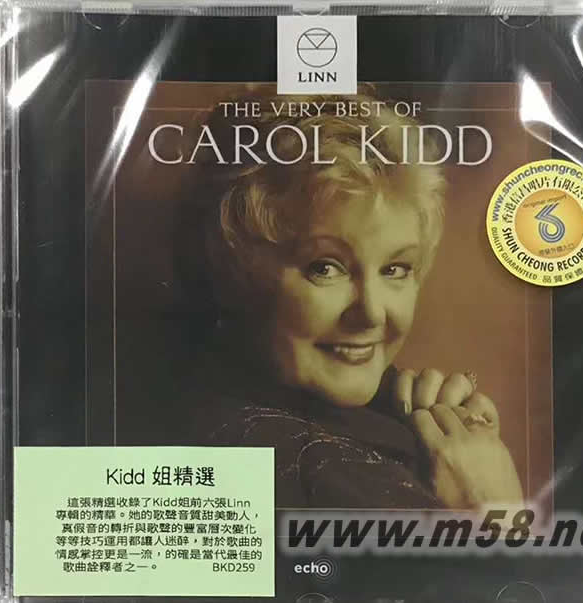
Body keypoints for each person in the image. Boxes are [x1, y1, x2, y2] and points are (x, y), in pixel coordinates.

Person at [172, 92, 523, 509]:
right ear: (234, 268)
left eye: (395, 269)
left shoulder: (242, 407)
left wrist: (427, 422)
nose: (371, 313)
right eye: (325, 267)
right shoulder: (324, 481)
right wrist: (492, 509)